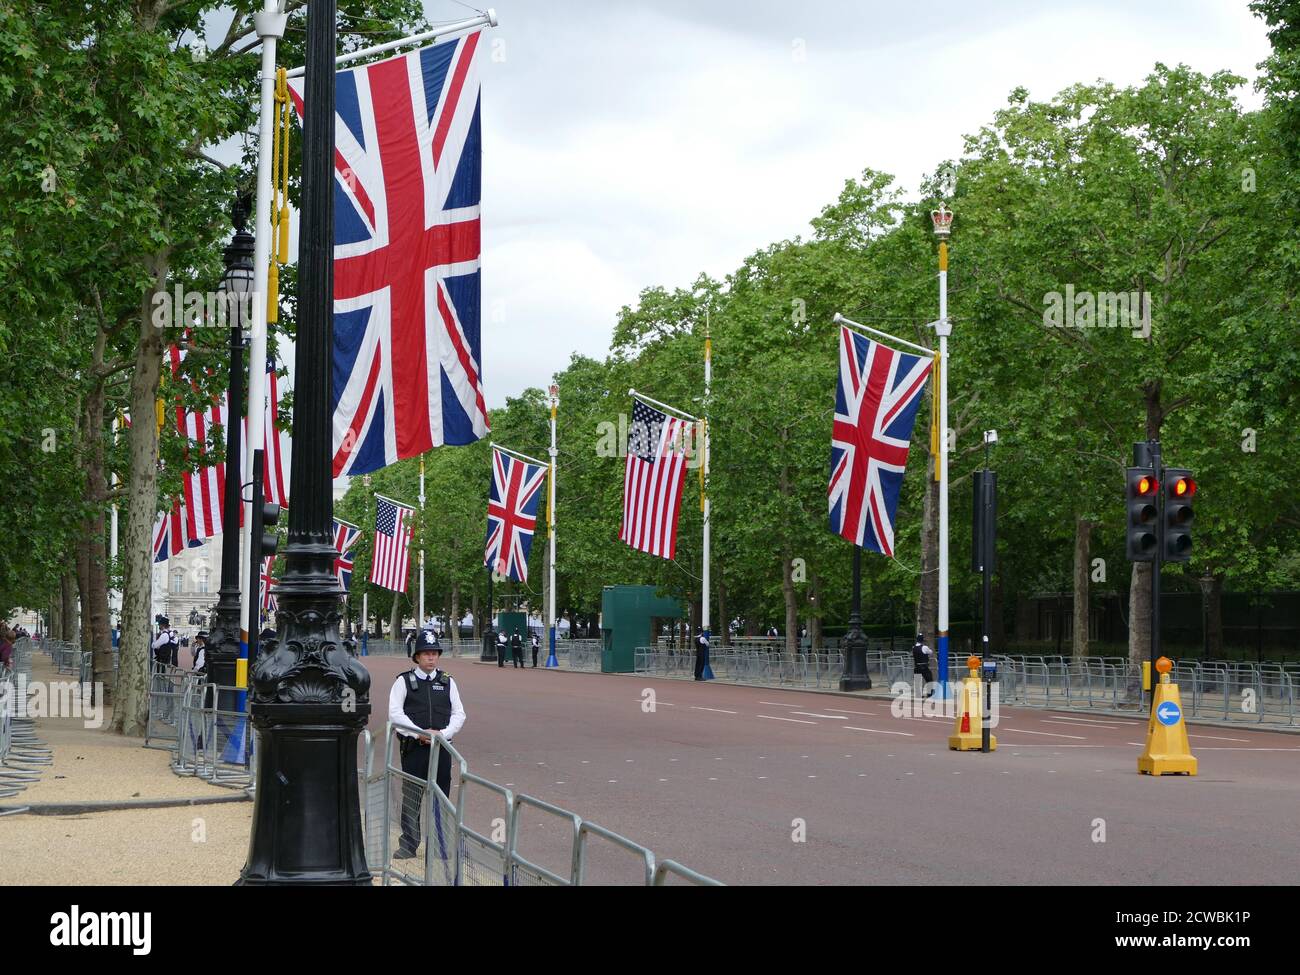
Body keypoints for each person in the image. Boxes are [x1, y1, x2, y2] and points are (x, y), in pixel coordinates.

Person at [387, 630, 465, 860]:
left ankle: (440, 845)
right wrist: (420, 733)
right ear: (417, 657)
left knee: (441, 798)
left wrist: (441, 734)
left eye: (434, 653)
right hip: (414, 749)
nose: (431, 658)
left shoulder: (448, 681)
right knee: (412, 796)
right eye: (426, 654)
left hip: (441, 748)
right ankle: (409, 845)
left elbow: (459, 714)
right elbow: (395, 713)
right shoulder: (403, 681)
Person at [912, 633, 935, 697]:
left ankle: (918, 694)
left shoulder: (913, 647)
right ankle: (929, 694)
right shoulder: (924, 647)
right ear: (922, 640)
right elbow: (930, 652)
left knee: (917, 681)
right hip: (924, 667)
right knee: (929, 679)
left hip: (916, 667)